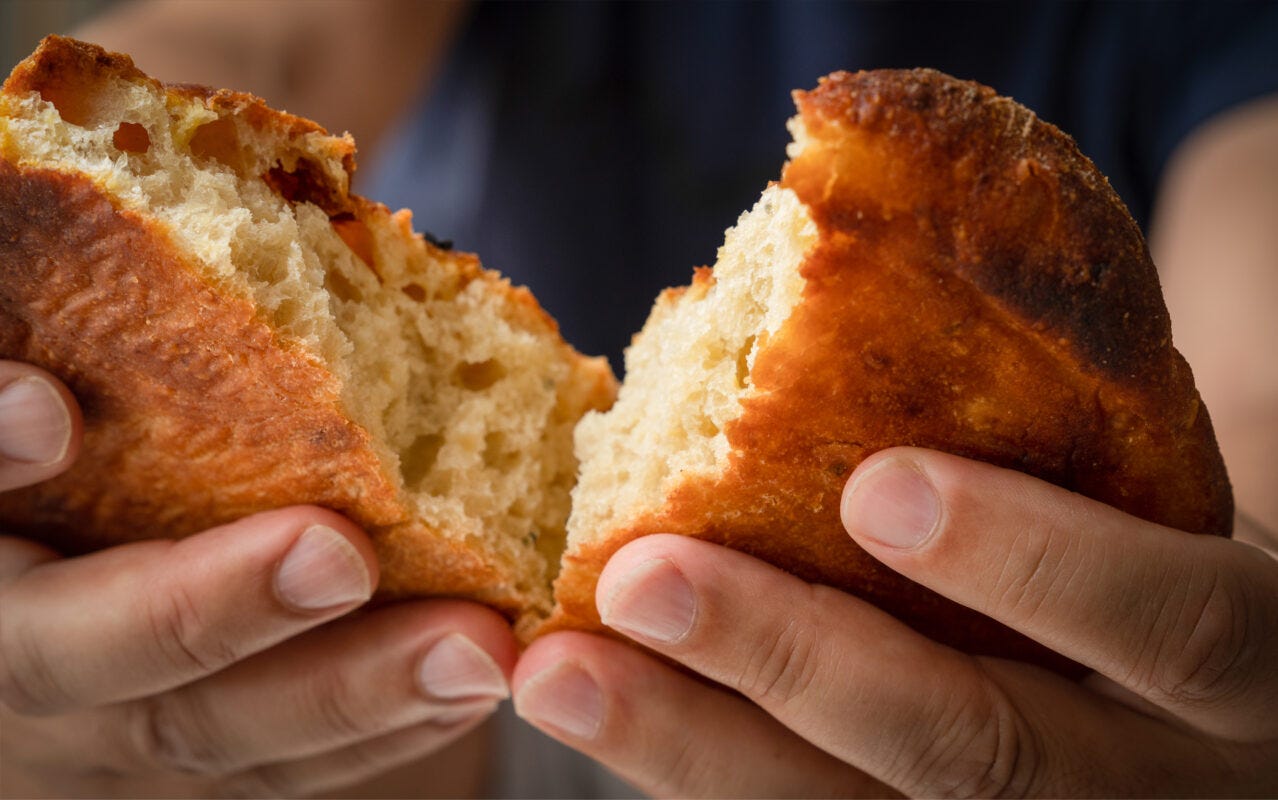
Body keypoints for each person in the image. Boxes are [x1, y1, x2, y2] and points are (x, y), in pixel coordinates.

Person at [2, 1, 1277, 796]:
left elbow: (1251, 420)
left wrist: (1232, 691)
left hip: (985, 724)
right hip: (406, 694)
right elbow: (255, 40)